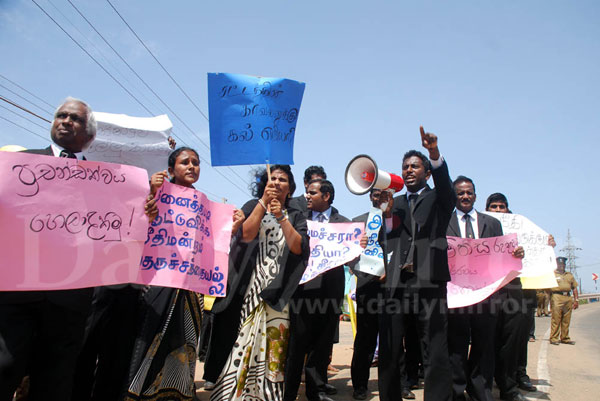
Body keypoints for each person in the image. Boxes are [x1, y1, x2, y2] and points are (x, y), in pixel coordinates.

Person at [125, 147, 244, 400]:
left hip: (190, 288)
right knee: (150, 337)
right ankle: (138, 391)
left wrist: (231, 228)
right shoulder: (156, 194)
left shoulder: (204, 204)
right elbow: (134, 222)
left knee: (184, 341)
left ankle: (177, 392)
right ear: (170, 170)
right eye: (185, 162)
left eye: (196, 163)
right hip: (157, 283)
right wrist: (150, 191)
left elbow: (213, 244)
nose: (192, 166)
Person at [0, 97, 97, 401]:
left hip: (70, 297)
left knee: (55, 380)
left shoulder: (104, 182)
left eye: (75, 118)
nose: (66, 121)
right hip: (18, 291)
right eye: (61, 115)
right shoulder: (16, 165)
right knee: (5, 367)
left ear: (89, 136)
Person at [206, 165, 309, 401]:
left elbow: (298, 247)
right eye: (272, 178)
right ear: (265, 183)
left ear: (290, 188)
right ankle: (239, 392)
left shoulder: (295, 214)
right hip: (252, 288)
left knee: (275, 344)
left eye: (283, 179)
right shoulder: (253, 206)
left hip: (280, 292)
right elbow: (246, 234)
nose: (277, 182)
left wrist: (282, 217)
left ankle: (268, 395)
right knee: (245, 339)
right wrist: (263, 203)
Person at [378, 126, 455, 401]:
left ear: (427, 172)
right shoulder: (394, 203)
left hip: (429, 283)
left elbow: (446, 186)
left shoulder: (439, 198)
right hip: (397, 286)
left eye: (414, 166)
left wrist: (434, 152)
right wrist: (387, 215)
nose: (409, 170)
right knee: (389, 347)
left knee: (433, 349)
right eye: (405, 167)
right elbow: (384, 240)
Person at [447, 176, 524, 401]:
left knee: (484, 344)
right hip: (457, 295)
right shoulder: (444, 221)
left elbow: (501, 256)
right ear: (454, 196)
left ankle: (480, 389)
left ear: (475, 195)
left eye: (469, 192)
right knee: (457, 344)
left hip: (487, 295)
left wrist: (516, 254)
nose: (465, 196)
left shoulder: (492, 223)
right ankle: (457, 390)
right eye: (460, 193)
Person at [284, 179, 349, 401]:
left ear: (327, 196)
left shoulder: (345, 225)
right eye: (306, 193)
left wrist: (359, 244)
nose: (307, 196)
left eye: (312, 193)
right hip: (303, 292)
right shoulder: (300, 219)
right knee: (297, 346)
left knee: (321, 348)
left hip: (330, 294)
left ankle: (316, 392)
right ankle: (289, 392)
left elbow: (354, 258)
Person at [350, 189, 387, 400]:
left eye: (382, 194)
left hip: (391, 287)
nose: (378, 197)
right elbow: (348, 256)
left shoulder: (395, 221)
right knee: (365, 339)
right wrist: (366, 269)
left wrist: (388, 272)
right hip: (367, 287)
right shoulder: (357, 223)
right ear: (369, 196)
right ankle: (360, 386)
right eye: (374, 194)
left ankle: (394, 385)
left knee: (391, 338)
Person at [549, 256, 579, 345]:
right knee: (556, 318)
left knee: (566, 319)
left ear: (565, 265)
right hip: (557, 296)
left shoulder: (569, 275)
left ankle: (565, 338)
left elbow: (574, 288)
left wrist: (576, 300)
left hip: (568, 297)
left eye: (563, 264)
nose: (561, 265)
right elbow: (547, 288)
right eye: (559, 264)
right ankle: (554, 338)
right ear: (556, 264)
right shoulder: (553, 274)